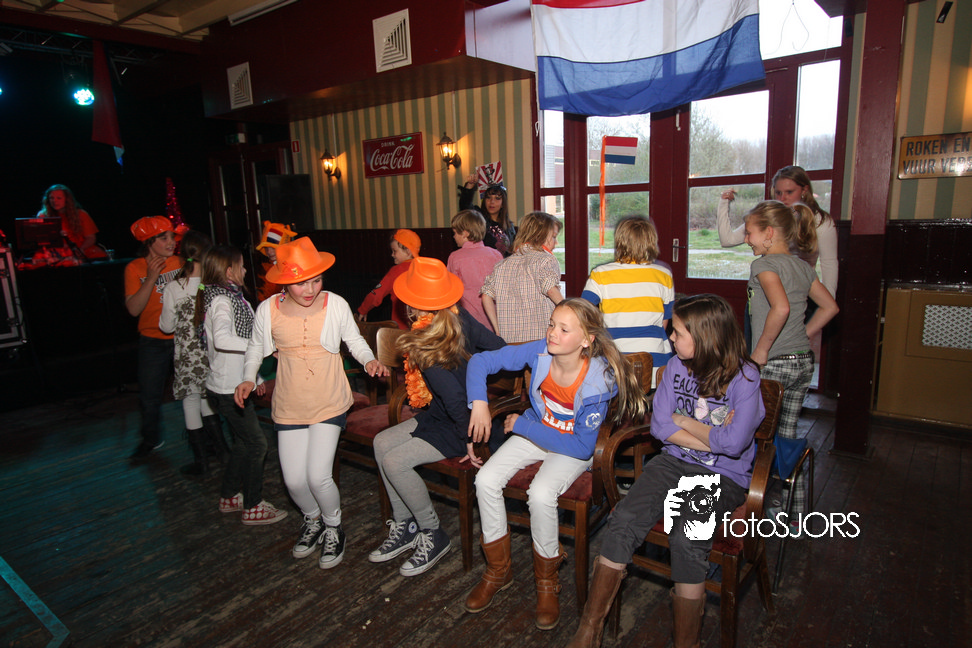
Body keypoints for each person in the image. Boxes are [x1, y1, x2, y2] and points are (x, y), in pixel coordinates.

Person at [565, 294, 765, 648]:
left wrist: (683, 421)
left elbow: (734, 446)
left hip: (722, 476)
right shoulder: (675, 367)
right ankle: (589, 628)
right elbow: (659, 428)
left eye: (678, 332)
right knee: (623, 519)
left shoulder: (745, 377)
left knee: (687, 536)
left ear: (704, 337)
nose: (670, 337)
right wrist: (714, 436)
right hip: (673, 462)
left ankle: (687, 643)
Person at [464, 298, 646, 630]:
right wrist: (478, 402)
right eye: (551, 324)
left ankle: (547, 582)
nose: (552, 333)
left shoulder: (598, 380)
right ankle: (498, 570)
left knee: (541, 493)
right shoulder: (540, 353)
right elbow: (480, 360)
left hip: (569, 446)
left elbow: (581, 446)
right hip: (538, 431)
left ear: (586, 340)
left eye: (564, 329)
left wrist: (524, 427)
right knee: (485, 480)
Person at [236, 238, 389, 566]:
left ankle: (333, 526)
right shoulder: (268, 309)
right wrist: (249, 377)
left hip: (328, 399)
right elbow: (254, 347)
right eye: (301, 283)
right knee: (293, 480)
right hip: (289, 403)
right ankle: (312, 519)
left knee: (318, 475)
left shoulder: (335, 304)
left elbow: (354, 340)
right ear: (284, 282)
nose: (310, 289)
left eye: (316, 280)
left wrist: (369, 361)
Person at [369, 257, 506, 576]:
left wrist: (471, 437)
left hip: (464, 424)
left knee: (395, 462)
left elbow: (457, 400)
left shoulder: (425, 342)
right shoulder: (460, 316)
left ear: (411, 303)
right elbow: (498, 346)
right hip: (447, 414)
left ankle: (432, 532)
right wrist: (477, 373)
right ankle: (405, 525)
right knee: (381, 443)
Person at [744, 200, 839, 533]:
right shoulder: (802, 266)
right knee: (787, 436)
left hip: (774, 365)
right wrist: (803, 336)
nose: (747, 239)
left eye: (750, 232)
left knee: (752, 435)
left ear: (769, 233)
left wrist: (761, 350)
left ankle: (746, 506)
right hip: (801, 364)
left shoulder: (764, 265)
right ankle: (794, 512)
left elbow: (780, 308)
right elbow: (830, 307)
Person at [195, 245, 288, 525]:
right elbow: (224, 340)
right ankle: (253, 505)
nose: (246, 270)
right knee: (257, 444)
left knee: (242, 444)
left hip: (232, 383)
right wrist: (262, 346)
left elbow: (238, 347)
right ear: (228, 271)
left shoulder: (231, 297)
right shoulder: (222, 301)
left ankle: (228, 496)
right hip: (227, 388)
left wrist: (255, 377)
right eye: (241, 266)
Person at [159, 230, 226, 476]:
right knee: (208, 401)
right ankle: (224, 453)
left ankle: (202, 462)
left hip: (188, 356)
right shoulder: (214, 286)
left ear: (183, 254)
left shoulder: (173, 288)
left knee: (190, 403)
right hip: (211, 354)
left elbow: (166, 326)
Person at [717, 165, 837, 298]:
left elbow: (829, 263)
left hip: (800, 296)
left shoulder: (820, 221)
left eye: (789, 192)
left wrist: (829, 300)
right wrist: (723, 203)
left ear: (804, 190)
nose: (782, 198)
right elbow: (728, 240)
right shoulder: (768, 216)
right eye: (778, 193)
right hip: (764, 295)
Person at [582, 215, 675, 379]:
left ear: (619, 241)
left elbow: (582, 312)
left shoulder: (600, 274)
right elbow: (664, 321)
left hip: (613, 359)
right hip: (654, 361)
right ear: (652, 242)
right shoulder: (664, 275)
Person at [125, 216, 184, 459]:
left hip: (184, 338)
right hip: (153, 340)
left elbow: (200, 289)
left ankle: (208, 440)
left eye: (172, 236)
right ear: (149, 242)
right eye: (164, 237)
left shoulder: (180, 262)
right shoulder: (134, 268)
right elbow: (133, 309)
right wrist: (151, 277)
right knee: (149, 395)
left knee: (197, 391)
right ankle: (150, 440)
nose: (171, 242)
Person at [481, 211, 563, 343]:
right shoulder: (545, 260)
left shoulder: (502, 265)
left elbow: (486, 296)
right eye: (553, 237)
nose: (556, 242)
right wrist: (572, 311)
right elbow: (551, 290)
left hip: (510, 341)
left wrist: (497, 330)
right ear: (540, 235)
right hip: (540, 339)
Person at [446, 209, 503, 331]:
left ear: (465, 234)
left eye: (455, 233)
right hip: (495, 317)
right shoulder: (496, 254)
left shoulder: (455, 257)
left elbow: (451, 289)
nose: (454, 237)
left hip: (469, 320)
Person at [357, 229, 421, 330]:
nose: (392, 255)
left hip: (402, 330)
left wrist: (363, 310)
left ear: (408, 252)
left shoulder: (396, 271)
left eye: (394, 251)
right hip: (425, 327)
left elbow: (375, 295)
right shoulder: (424, 267)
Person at [37, 184, 107, 259]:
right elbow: (41, 240)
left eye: (59, 198)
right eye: (51, 198)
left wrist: (80, 249)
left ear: (67, 199)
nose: (54, 201)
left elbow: (91, 237)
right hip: (55, 252)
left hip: (80, 249)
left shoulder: (81, 214)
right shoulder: (43, 215)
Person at [459, 175, 516, 256]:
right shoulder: (479, 219)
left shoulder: (509, 226)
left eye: (497, 198)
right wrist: (469, 186)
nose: (492, 202)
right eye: (488, 197)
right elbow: (465, 206)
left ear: (503, 203)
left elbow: (512, 250)